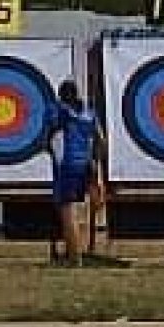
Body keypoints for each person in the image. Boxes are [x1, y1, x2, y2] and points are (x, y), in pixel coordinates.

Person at [45, 80, 104, 266]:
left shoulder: (60, 110)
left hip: (67, 165)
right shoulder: (89, 113)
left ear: (61, 96)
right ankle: (82, 251)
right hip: (86, 164)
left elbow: (49, 133)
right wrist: (94, 161)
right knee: (83, 210)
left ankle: (74, 259)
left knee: (67, 211)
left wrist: (46, 144)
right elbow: (101, 140)